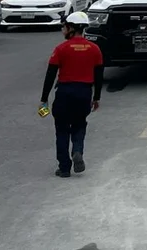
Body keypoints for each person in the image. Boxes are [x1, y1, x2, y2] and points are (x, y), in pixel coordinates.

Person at [40, 11, 104, 178]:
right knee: (79, 125)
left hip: (64, 93)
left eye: (63, 27)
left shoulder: (61, 49)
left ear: (70, 28)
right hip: (84, 93)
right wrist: (96, 97)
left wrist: (44, 99)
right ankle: (77, 150)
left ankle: (64, 168)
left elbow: (50, 75)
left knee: (61, 130)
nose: (62, 30)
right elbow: (99, 76)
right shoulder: (94, 49)